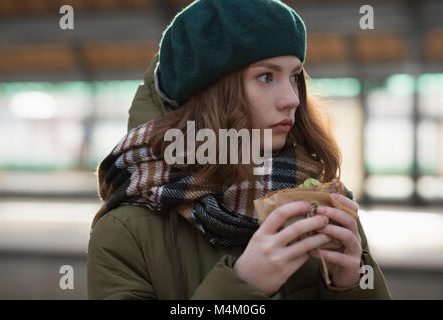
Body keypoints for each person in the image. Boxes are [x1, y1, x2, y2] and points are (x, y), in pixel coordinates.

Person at [87, 0, 392, 299]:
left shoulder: (322, 204)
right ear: (209, 94)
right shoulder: (122, 232)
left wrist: (350, 284)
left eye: (295, 77)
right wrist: (244, 285)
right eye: (265, 76)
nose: (292, 99)